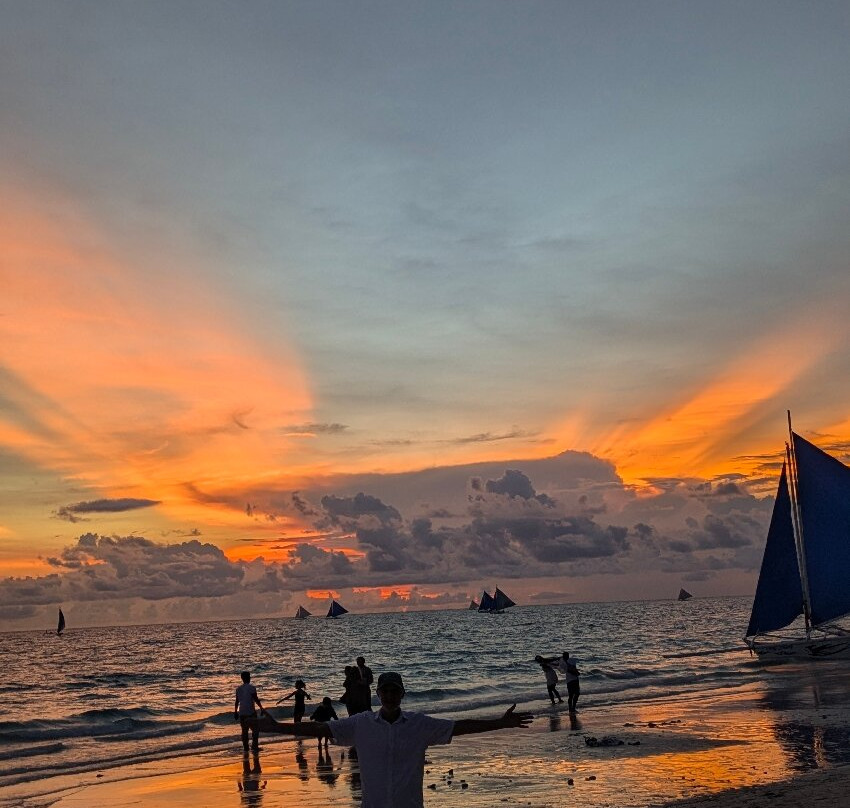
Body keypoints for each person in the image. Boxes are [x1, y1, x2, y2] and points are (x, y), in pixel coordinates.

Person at [259, 670, 534, 808]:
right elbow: (321, 730)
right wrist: (276, 728)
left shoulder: (418, 725)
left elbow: (458, 727)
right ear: (379, 695)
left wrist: (500, 723)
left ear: (402, 695)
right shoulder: (361, 724)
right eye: (385, 692)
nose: (390, 696)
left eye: (395, 692)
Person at [234, 671, 267, 752]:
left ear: (242, 678)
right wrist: (261, 708)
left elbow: (237, 702)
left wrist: (235, 712)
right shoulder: (252, 688)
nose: (249, 678)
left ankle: (246, 748)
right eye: (249, 677)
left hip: (242, 712)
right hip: (251, 712)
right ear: (249, 678)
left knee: (244, 731)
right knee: (255, 730)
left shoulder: (238, 689)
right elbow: (256, 699)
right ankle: (254, 746)